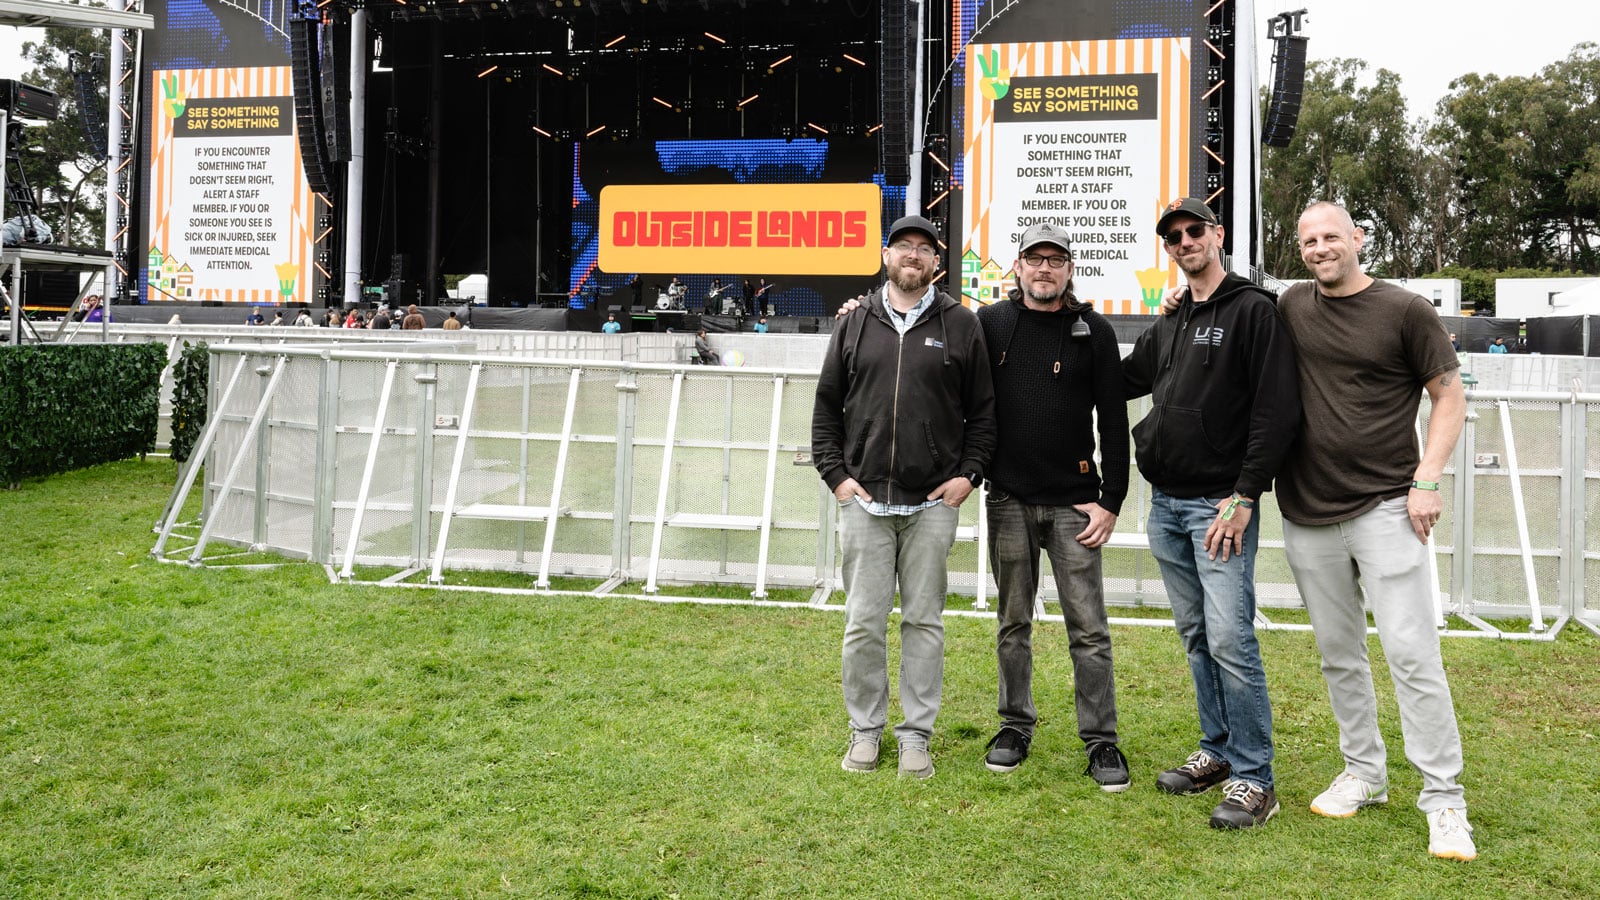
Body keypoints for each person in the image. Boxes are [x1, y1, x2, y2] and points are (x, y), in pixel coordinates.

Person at [1277, 201, 1475, 861]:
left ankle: (1445, 800)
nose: (1320, 247)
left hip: (1390, 507)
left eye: (1331, 235)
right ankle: (1364, 772)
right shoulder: (1291, 306)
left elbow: (1449, 394)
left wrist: (1427, 479)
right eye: (1309, 239)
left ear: (1358, 240)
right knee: (1339, 656)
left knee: (1413, 655)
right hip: (1307, 511)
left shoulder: (1405, 310)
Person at [1123, 197, 1300, 829]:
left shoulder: (1254, 311)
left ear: (1217, 235)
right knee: (1198, 635)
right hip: (1166, 504)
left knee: (1230, 637)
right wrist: (1058, 331)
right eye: (1172, 236)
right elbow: (1124, 379)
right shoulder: (1171, 319)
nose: (1183, 241)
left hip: (1219, 506)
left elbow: (1275, 410)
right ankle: (1218, 751)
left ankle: (1256, 778)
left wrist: (1246, 495)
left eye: (1194, 230)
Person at [812, 214, 997, 780]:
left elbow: (984, 415)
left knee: (924, 622)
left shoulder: (962, 324)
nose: (912, 255)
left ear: (937, 262)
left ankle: (916, 735)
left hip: (931, 507)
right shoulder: (854, 323)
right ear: (885, 255)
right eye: (902, 246)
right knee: (863, 623)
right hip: (864, 502)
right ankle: (864, 732)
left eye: (924, 248)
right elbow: (825, 410)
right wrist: (838, 478)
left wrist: (968, 477)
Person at [976, 222, 1132, 789]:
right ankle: (1015, 725)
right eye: (1034, 259)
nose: (1045, 268)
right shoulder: (990, 324)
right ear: (1017, 267)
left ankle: (1101, 742)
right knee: (1012, 621)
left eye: (1055, 260)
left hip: (1075, 506)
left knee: (1088, 627)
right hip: (1010, 500)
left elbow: (1114, 422)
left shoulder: (1094, 330)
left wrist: (1110, 500)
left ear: (1070, 268)